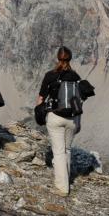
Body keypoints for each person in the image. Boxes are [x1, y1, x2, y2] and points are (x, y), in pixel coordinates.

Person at [37, 46, 82, 197]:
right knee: (67, 150)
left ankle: (62, 187)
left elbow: (41, 98)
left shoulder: (50, 75)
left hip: (55, 117)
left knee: (58, 152)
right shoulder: (76, 76)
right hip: (72, 119)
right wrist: (79, 121)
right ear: (70, 59)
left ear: (58, 58)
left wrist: (39, 111)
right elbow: (79, 101)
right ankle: (66, 181)